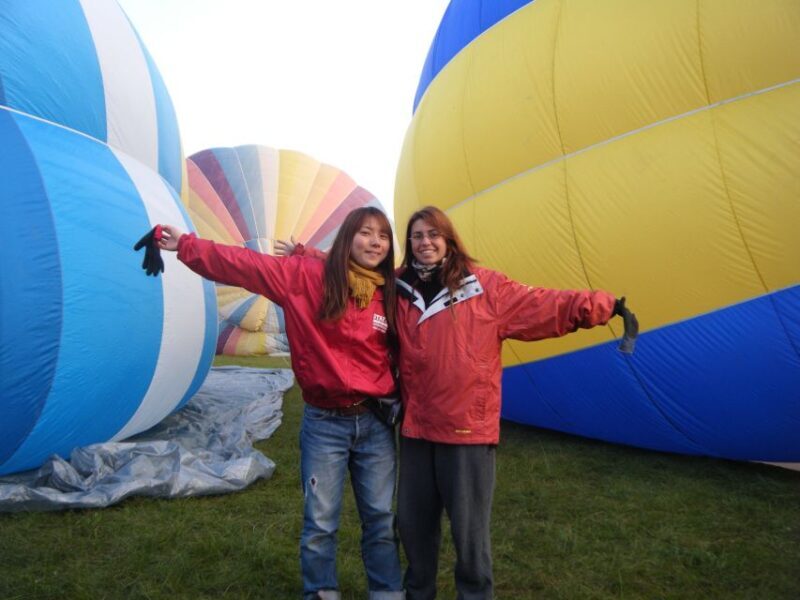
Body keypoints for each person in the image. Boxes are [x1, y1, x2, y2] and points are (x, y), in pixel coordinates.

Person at [155, 207, 404, 600]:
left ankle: (388, 592)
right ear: (346, 238)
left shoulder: (389, 290)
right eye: (365, 233)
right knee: (320, 521)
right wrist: (185, 245)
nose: (374, 242)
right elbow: (243, 265)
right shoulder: (304, 277)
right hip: (326, 424)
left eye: (383, 236)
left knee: (381, 518)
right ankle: (321, 592)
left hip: (375, 424)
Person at [393, 206, 636, 600]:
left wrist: (599, 305)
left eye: (433, 235)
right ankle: (418, 594)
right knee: (413, 528)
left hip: (466, 432)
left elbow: (544, 304)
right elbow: (356, 269)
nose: (425, 243)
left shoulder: (485, 288)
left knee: (470, 538)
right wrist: (309, 254)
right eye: (417, 236)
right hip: (418, 429)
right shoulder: (399, 289)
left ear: (449, 240)